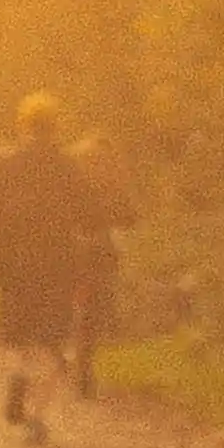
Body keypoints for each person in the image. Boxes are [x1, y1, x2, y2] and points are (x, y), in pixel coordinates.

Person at [0, 92, 88, 435]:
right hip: (57, 265)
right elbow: (90, 213)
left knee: (20, 334)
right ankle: (38, 417)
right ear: (56, 127)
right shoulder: (69, 168)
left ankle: (20, 375)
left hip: (13, 264)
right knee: (53, 341)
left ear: (24, 125)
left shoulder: (3, 165)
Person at [62, 130, 133, 398]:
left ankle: (75, 364)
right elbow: (128, 217)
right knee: (91, 315)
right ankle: (82, 368)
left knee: (82, 313)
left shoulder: (71, 181)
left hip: (77, 255)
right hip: (97, 255)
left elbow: (127, 216)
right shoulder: (111, 184)